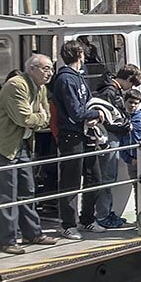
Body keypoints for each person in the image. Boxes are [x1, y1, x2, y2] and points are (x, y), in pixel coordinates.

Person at [0, 54, 58, 254]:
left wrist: (40, 116)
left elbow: (47, 116)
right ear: (32, 69)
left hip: (21, 144)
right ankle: (8, 240)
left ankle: (33, 233)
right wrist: (40, 116)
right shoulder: (17, 85)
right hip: (2, 145)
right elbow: (24, 118)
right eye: (45, 68)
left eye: (50, 68)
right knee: (7, 194)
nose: (49, 73)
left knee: (27, 189)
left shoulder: (40, 88)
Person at [49, 40, 103, 239]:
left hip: (85, 133)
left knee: (94, 177)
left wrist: (93, 113)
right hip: (71, 135)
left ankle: (87, 218)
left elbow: (87, 101)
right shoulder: (65, 79)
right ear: (79, 55)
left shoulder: (79, 78)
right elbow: (75, 111)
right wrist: (94, 113)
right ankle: (68, 224)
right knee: (71, 181)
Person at [90, 64, 141, 230]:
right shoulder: (110, 92)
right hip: (109, 139)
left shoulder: (110, 90)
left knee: (109, 176)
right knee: (107, 176)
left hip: (110, 138)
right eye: (131, 84)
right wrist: (126, 126)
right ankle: (103, 214)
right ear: (127, 79)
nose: (130, 88)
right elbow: (110, 120)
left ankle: (107, 211)